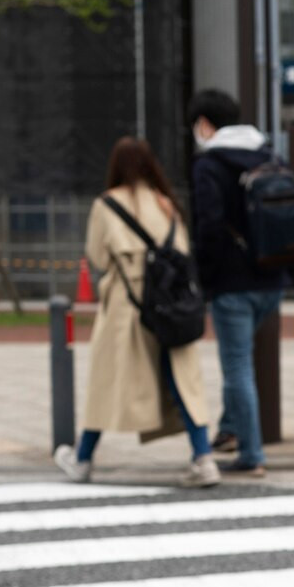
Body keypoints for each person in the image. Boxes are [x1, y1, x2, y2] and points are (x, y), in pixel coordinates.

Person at [54, 138, 220, 489]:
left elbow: (98, 258)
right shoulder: (166, 204)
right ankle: (204, 458)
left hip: (127, 309)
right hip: (172, 305)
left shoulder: (107, 205)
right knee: (183, 382)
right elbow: (182, 251)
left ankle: (82, 459)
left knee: (106, 384)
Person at [188, 88, 285, 478]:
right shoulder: (269, 154)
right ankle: (230, 430)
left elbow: (208, 227)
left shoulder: (210, 165)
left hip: (232, 282)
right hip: (273, 278)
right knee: (240, 360)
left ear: (205, 124)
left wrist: (206, 279)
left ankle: (252, 453)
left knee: (237, 365)